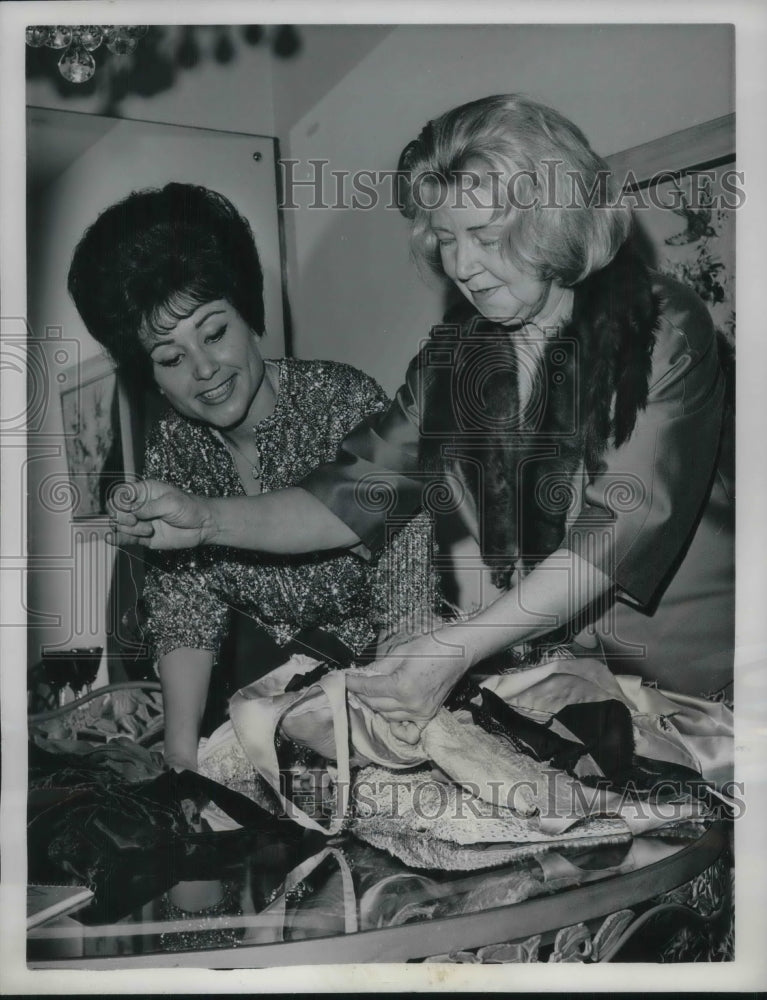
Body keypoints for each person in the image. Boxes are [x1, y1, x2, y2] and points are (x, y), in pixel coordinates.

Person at [108, 97, 734, 742]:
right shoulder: (454, 362)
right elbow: (347, 499)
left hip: (706, 693)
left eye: (485, 237)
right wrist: (207, 517)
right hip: (588, 692)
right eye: (444, 238)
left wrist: (458, 646)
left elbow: (611, 537)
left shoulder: (662, 328)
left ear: (553, 219)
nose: (460, 267)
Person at [69, 183, 434, 770]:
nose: (205, 370)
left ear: (249, 314)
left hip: (390, 701)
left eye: (214, 333)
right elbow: (185, 608)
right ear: (150, 374)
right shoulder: (174, 449)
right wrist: (181, 753)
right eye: (171, 357)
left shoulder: (342, 401)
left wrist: (392, 719)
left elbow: (405, 583)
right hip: (268, 713)